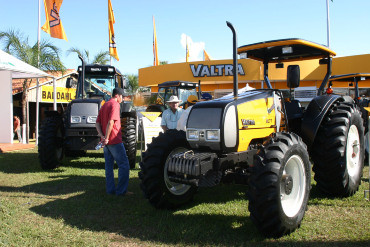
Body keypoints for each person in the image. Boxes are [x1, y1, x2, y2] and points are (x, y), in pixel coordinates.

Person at [95, 88, 131, 196]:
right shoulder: (115, 105)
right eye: (122, 97)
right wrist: (106, 137)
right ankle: (121, 191)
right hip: (114, 140)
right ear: (117, 95)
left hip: (106, 143)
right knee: (124, 165)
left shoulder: (104, 105)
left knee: (109, 167)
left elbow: (97, 123)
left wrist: (102, 137)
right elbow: (111, 122)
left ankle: (110, 190)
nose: (123, 99)